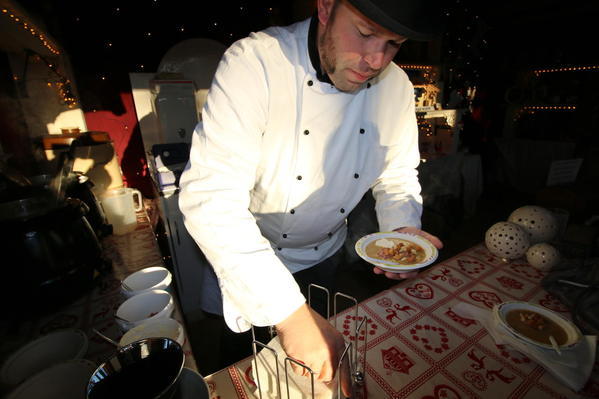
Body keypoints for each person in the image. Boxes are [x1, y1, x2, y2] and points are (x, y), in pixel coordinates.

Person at [179, 0, 443, 393]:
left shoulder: (397, 87)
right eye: (366, 33)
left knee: (317, 373)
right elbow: (211, 195)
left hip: (325, 255)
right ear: (325, 8)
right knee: (241, 372)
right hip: (249, 255)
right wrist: (288, 315)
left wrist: (402, 233)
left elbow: (397, 174)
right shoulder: (256, 63)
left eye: (394, 43)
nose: (376, 59)